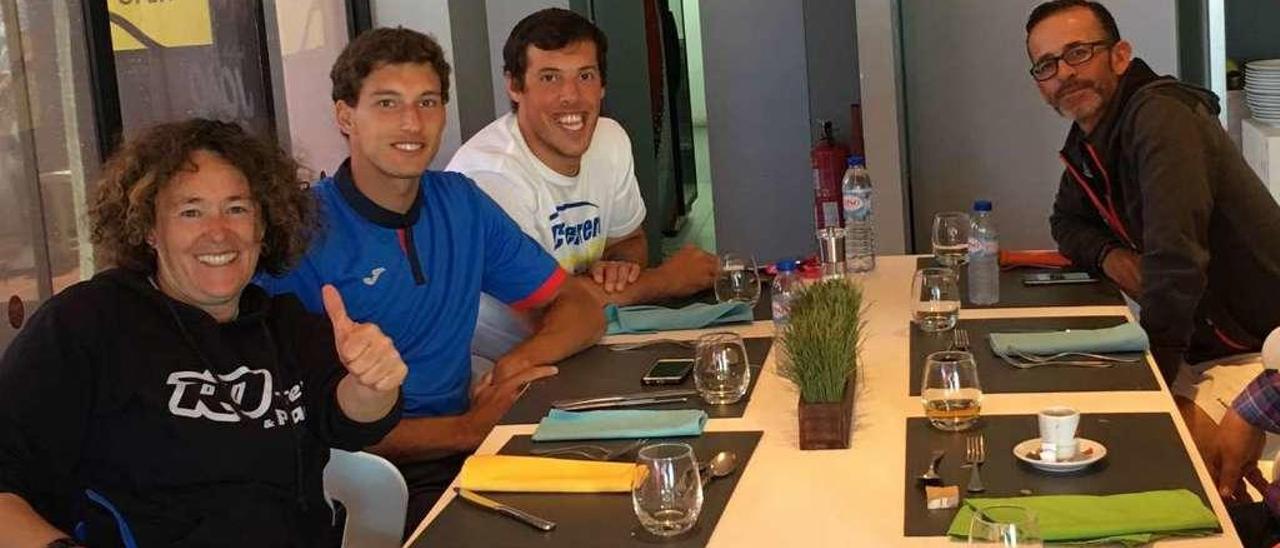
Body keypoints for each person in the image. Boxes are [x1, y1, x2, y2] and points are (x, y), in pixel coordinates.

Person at [254, 27, 604, 534]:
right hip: (368, 474)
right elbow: (302, 421)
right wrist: (464, 430)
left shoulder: (460, 202)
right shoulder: (302, 233)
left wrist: (513, 365)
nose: (412, 123)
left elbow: (579, 306)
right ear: (345, 115)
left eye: (428, 102)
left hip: (469, 446)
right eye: (387, 103)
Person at [0, 119, 406, 546]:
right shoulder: (85, 323)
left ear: (262, 226)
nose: (217, 232)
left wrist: (372, 384)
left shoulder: (284, 324)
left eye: (237, 208)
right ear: (150, 230)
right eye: (190, 211)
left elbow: (351, 421)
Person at [1026, 0, 1280, 429]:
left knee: (1141, 434)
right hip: (1204, 341)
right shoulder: (1093, 137)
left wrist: (1152, 386)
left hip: (1261, 348)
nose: (1064, 72)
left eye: (1078, 52)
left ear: (1120, 56)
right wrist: (1111, 256)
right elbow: (1065, 222)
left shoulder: (1162, 118)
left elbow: (1176, 260)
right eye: (1046, 65)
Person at [447, 8, 718, 317]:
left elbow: (629, 239)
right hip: (507, 358)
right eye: (550, 77)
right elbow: (551, 306)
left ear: (602, 84)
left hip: (590, 339)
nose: (571, 96)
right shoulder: (489, 175)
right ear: (515, 86)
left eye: (585, 76)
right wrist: (664, 280)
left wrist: (620, 268)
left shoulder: (609, 139)